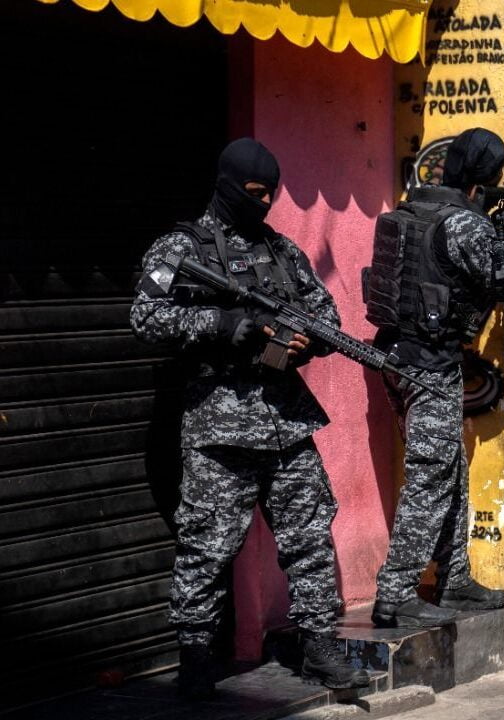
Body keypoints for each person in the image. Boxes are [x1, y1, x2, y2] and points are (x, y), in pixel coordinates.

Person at [129, 138, 369, 698]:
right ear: (229, 185)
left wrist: (305, 341)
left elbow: (325, 314)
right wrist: (220, 325)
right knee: (207, 548)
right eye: (255, 192)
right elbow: (145, 316)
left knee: (310, 539)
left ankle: (320, 648)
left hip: (286, 421)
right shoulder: (182, 247)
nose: (263, 203)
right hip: (220, 427)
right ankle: (195, 659)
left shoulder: (280, 251)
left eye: (271, 194)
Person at [365, 128, 504, 628]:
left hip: (397, 359)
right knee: (430, 477)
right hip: (430, 366)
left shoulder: (414, 208)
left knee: (448, 470)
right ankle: (395, 593)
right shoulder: (465, 224)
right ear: (480, 183)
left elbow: (449, 264)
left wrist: (499, 222)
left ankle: (455, 578)